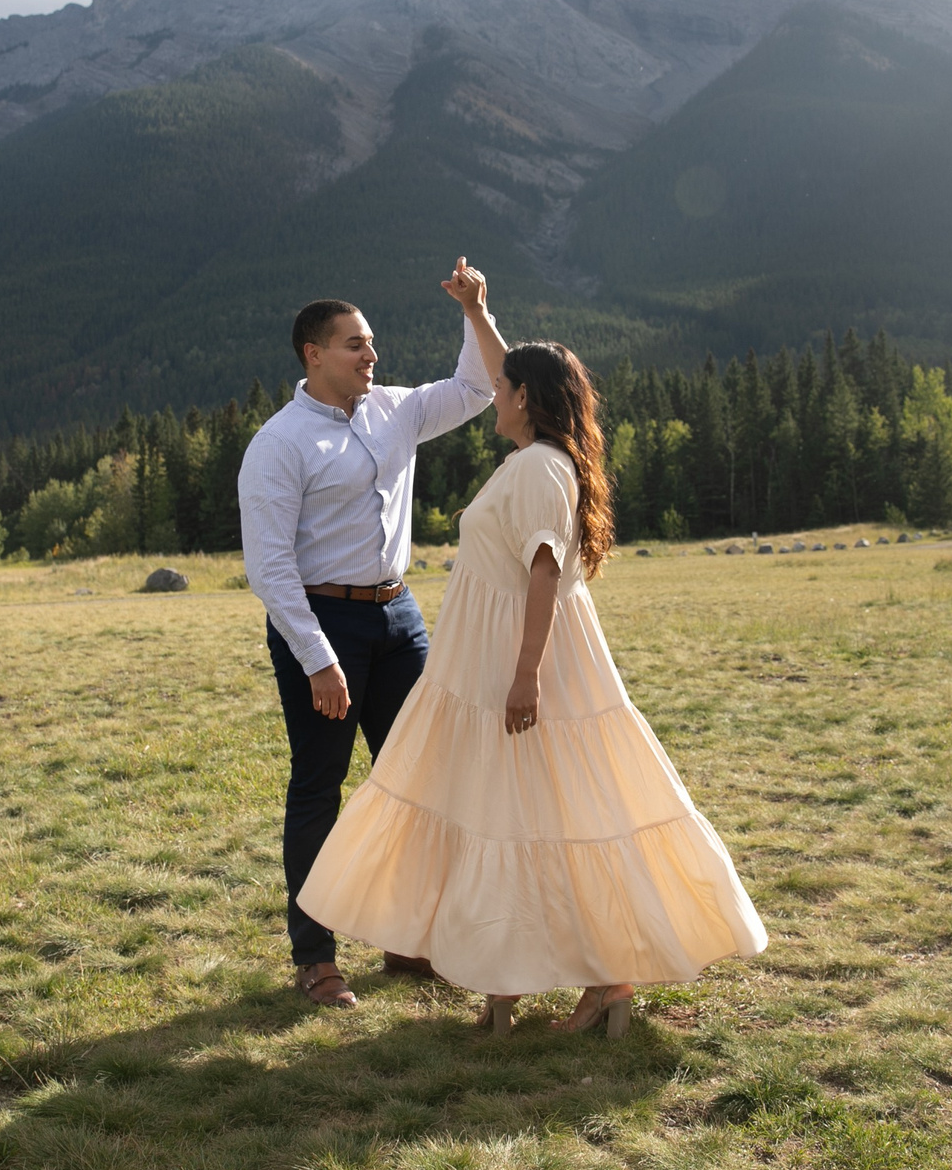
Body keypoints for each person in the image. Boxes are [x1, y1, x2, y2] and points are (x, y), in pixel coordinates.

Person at [299, 341, 766, 1036]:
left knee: (552, 812)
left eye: (503, 383)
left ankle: (598, 976)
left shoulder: (543, 466)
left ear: (524, 398)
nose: (494, 392)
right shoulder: (531, 463)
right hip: (488, 661)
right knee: (514, 812)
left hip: (524, 663)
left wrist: (525, 675)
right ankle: (515, 982)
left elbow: (544, 570)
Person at [239, 260, 510, 1008]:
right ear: (313, 354)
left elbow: (482, 387)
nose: (372, 356)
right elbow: (268, 569)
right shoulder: (279, 443)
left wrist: (475, 311)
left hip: (400, 617)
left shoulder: (397, 409)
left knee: (421, 784)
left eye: (373, 344)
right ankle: (316, 957)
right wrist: (320, 659)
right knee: (319, 788)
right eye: (356, 344)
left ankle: (408, 936)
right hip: (322, 625)